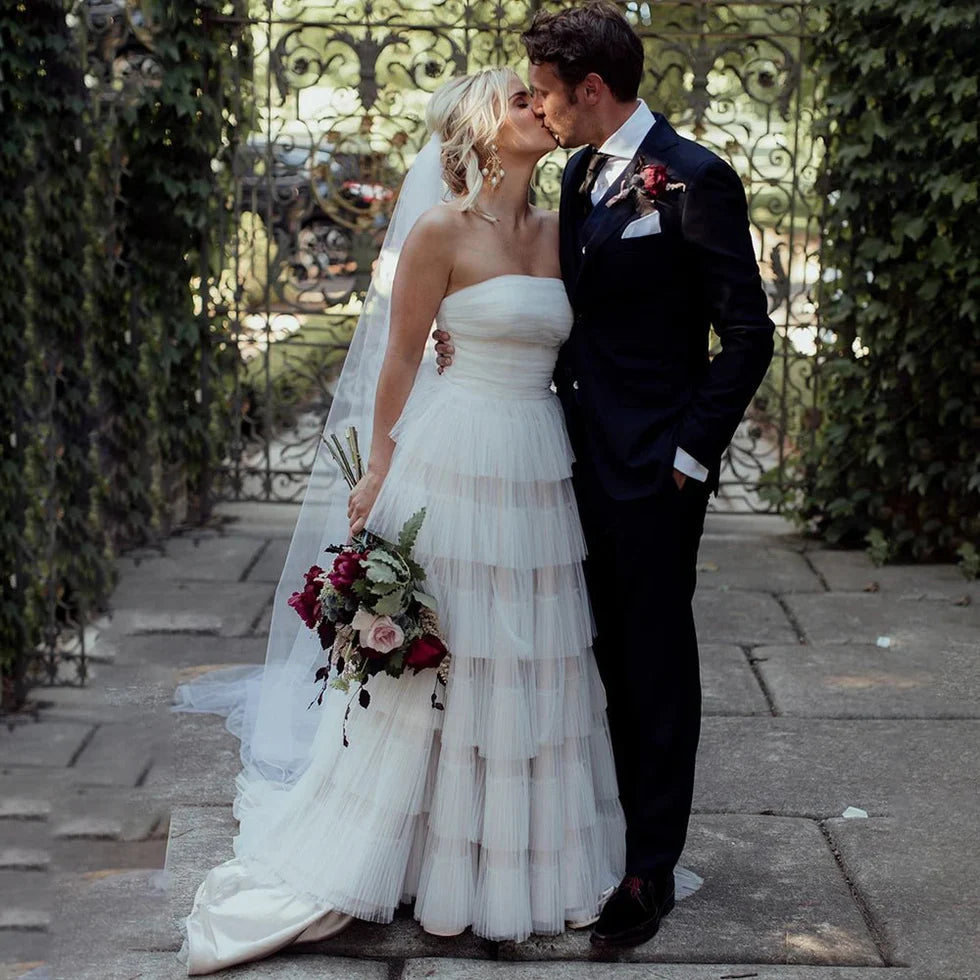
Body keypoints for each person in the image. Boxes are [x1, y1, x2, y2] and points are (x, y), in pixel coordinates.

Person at [174, 67, 686, 976]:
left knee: (529, 655)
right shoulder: (439, 230)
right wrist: (378, 469)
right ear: (483, 130)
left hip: (540, 457)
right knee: (453, 658)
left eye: (543, 98)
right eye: (522, 101)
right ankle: (421, 859)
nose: (542, 107)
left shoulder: (564, 223)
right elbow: (401, 356)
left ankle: (515, 866)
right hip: (456, 458)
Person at [434, 2, 775, 951]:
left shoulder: (698, 179)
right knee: (588, 658)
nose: (536, 105)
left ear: (591, 89)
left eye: (544, 89)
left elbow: (747, 337)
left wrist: (686, 455)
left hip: (655, 472)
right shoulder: (580, 174)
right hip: (564, 461)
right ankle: (594, 833)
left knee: (656, 664)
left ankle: (647, 870)